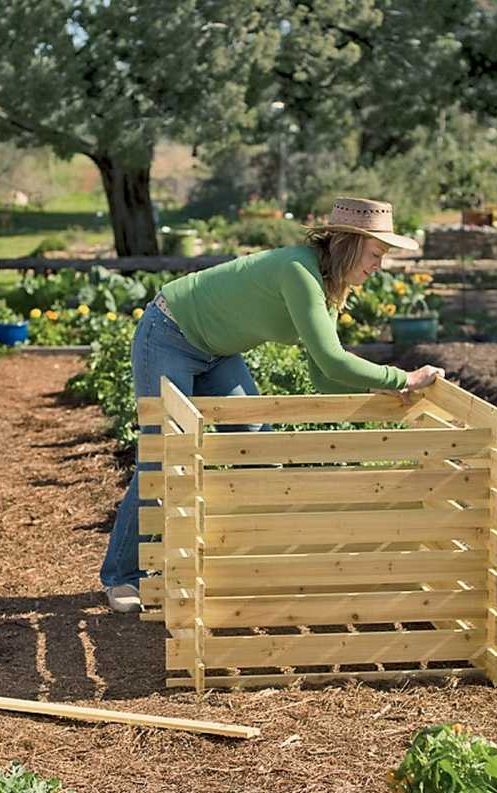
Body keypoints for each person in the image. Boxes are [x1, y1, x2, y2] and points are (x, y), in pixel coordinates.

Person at [101, 196, 445, 612]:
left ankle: (256, 563)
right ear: (351, 244)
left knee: (257, 449)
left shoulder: (329, 284)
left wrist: (384, 392)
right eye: (375, 254)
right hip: (169, 332)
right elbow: (335, 362)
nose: (378, 266)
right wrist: (402, 377)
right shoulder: (298, 271)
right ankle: (122, 577)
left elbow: (323, 373)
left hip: (218, 354)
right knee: (163, 456)